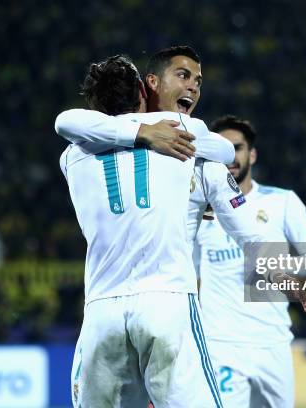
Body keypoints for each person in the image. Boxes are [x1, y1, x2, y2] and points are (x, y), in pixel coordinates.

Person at [60, 54, 231, 408]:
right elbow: (227, 150)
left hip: (102, 310)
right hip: (165, 298)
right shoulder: (176, 128)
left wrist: (136, 132)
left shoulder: (72, 155)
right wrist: (149, 133)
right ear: (143, 88)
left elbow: (67, 121)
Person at [194, 115, 306, 407]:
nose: (230, 157)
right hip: (221, 344)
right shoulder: (198, 210)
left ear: (251, 154)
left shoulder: (283, 201)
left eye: (237, 148)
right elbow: (189, 275)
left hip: (273, 343)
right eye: (222, 150)